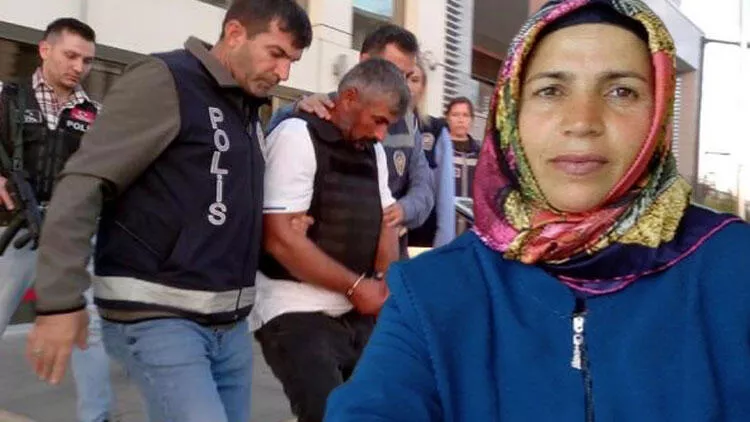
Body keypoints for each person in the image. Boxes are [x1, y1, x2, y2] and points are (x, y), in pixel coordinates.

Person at [325, 1, 750, 421]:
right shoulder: (433, 293)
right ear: (511, 112)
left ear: (658, 113)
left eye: (622, 91)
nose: (582, 121)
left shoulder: (732, 270)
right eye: (550, 90)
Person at [25, 2, 312, 422]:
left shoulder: (249, 108)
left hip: (229, 324)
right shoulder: (166, 80)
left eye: (292, 62)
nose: (283, 72)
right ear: (235, 34)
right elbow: (84, 182)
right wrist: (59, 302)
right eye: (276, 53)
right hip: (158, 314)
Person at [252, 58, 405, 422]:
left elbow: (386, 233)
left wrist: (383, 286)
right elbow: (280, 240)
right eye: (378, 120)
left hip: (356, 311)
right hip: (294, 309)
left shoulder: (373, 151)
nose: (381, 135)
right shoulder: (297, 136)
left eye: (388, 125)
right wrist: (356, 287)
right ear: (349, 98)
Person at [0, 18, 114, 422]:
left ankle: (96, 417)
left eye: (87, 60)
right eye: (71, 55)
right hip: (14, 231)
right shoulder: (7, 97)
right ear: (45, 50)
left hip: (74, 235)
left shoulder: (96, 114)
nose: (79, 67)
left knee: (89, 327)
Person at [269, 24, 434, 258]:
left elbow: (424, 189)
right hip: (322, 258)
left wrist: (402, 211)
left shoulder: (410, 126)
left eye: (408, 77)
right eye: (394, 72)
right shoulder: (316, 113)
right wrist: (295, 109)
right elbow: (269, 147)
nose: (403, 86)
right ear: (365, 62)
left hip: (386, 255)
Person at [406, 60, 455, 248]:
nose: (408, 86)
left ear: (423, 87)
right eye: (403, 78)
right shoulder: (379, 126)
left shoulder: (435, 130)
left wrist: (443, 246)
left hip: (422, 238)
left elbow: (445, 193)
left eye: (414, 80)